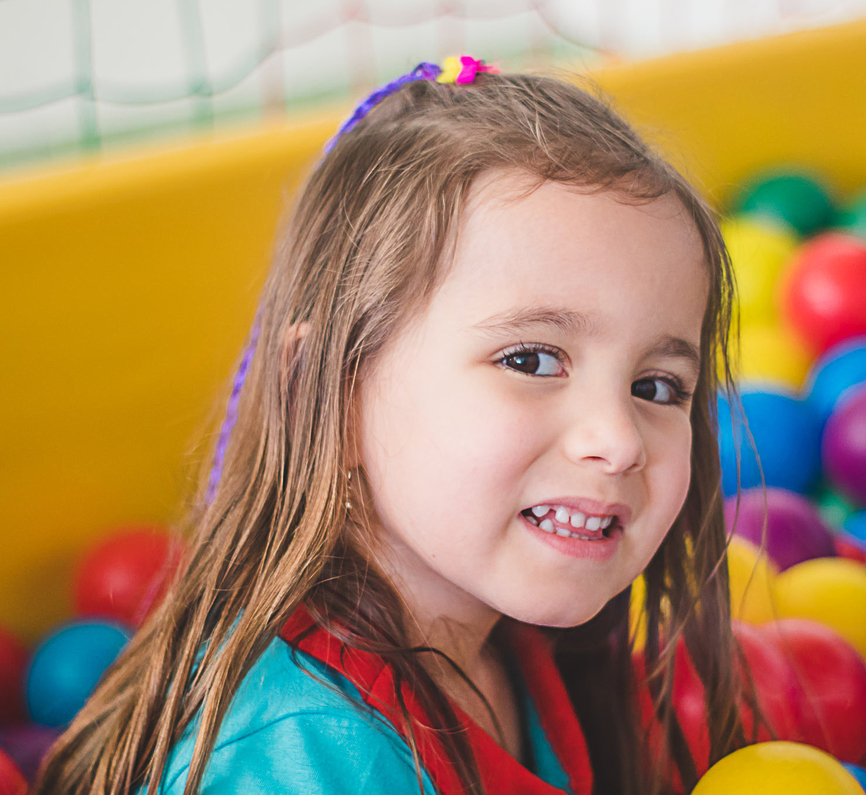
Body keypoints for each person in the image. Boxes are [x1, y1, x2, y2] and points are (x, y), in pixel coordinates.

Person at [35, 55, 754, 795]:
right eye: (532, 360)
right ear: (330, 394)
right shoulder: (301, 760)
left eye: (655, 386)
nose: (620, 439)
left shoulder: (515, 638)